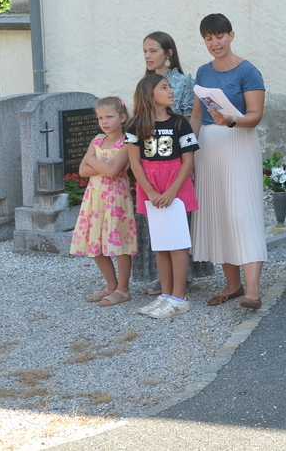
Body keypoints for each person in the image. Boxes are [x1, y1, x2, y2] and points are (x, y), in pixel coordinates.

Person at [190, 14, 267, 310]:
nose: (215, 43)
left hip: (239, 144)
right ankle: (233, 285)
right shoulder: (202, 71)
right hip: (208, 149)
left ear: (231, 36)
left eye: (219, 36)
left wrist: (230, 120)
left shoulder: (248, 71)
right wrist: (189, 153)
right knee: (219, 212)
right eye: (209, 38)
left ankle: (253, 291)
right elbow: (196, 116)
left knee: (242, 213)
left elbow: (255, 115)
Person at [138, 31, 214, 288]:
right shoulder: (146, 82)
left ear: (168, 53)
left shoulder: (182, 83)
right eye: (145, 51)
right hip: (152, 161)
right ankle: (165, 279)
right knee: (157, 220)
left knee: (178, 218)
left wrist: (188, 159)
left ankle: (184, 278)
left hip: (177, 159)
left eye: (153, 51)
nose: (148, 56)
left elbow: (191, 120)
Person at [127, 75, 199, 319]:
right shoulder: (136, 125)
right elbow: (134, 161)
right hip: (150, 190)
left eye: (170, 87)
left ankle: (179, 298)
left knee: (177, 244)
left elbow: (188, 160)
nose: (171, 91)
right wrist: (149, 191)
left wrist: (171, 191)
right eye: (165, 87)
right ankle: (166, 295)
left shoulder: (180, 124)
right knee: (161, 244)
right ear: (149, 95)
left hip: (174, 188)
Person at [70, 97, 137, 307]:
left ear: (122, 117)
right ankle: (111, 285)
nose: (104, 121)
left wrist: (92, 160)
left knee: (120, 242)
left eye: (109, 116)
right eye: (100, 118)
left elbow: (113, 171)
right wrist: (98, 164)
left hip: (116, 199)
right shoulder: (97, 140)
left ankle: (123, 289)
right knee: (95, 242)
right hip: (95, 199)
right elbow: (82, 171)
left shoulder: (126, 142)